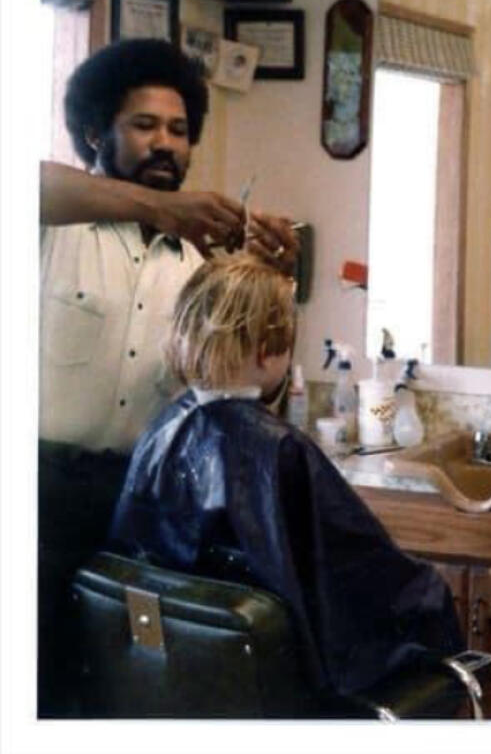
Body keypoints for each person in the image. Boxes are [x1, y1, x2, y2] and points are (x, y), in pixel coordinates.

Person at [38, 38, 299, 715]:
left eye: (180, 131)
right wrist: (157, 209)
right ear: (96, 132)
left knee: (104, 694)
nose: (166, 144)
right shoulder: (50, 232)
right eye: (145, 125)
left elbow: (246, 392)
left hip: (135, 504)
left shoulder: (196, 267)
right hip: (32, 494)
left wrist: (267, 293)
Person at [107, 254, 462, 699]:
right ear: (267, 351)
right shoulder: (277, 449)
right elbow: (365, 578)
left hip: (196, 678)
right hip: (276, 678)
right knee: (427, 596)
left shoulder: (163, 427)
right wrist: (432, 596)